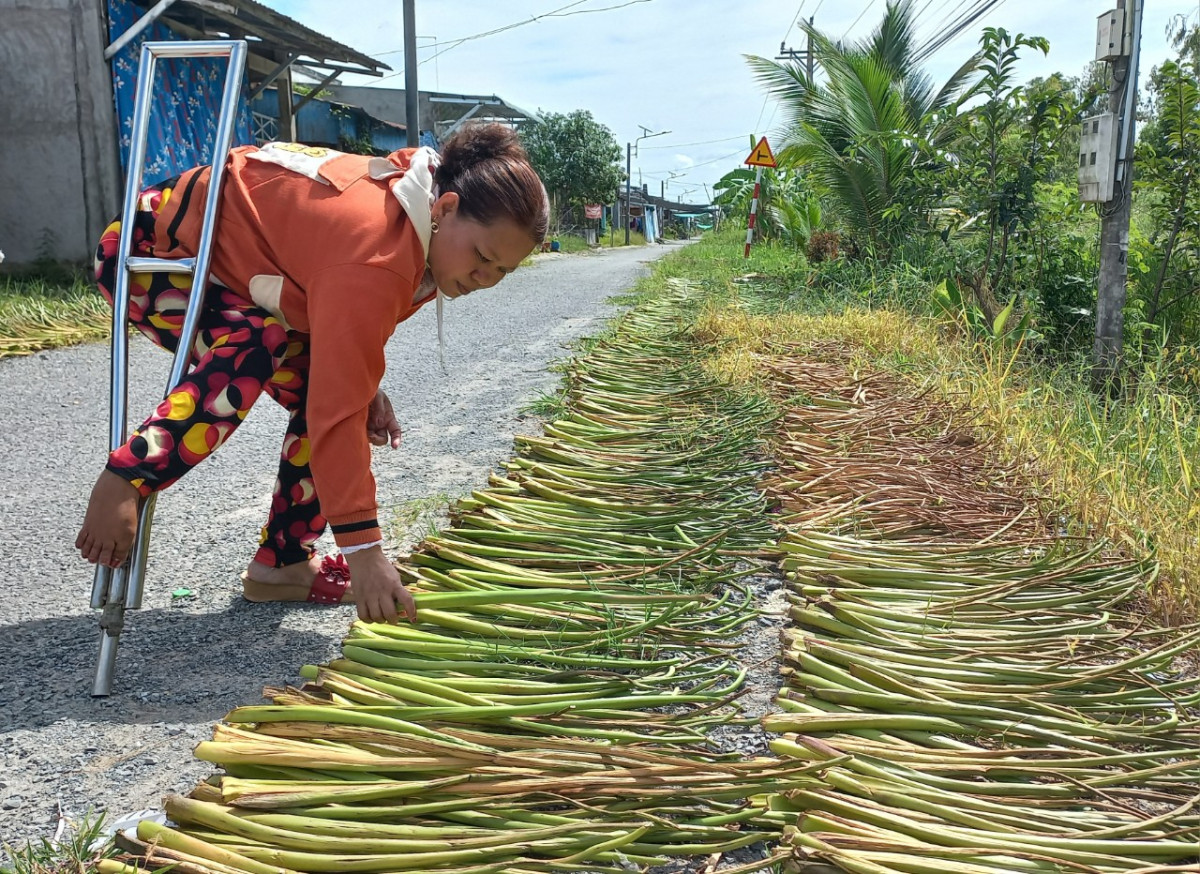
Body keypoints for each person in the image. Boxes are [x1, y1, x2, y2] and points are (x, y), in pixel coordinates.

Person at [75, 123, 549, 624]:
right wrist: (366, 555)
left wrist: (363, 385)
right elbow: (335, 409)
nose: (485, 280)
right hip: (156, 252)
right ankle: (128, 477)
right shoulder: (379, 251)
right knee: (262, 349)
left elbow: (342, 351)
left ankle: (281, 564)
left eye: (503, 272)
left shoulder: (423, 228)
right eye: (482, 258)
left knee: (348, 396)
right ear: (446, 208)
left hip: (243, 273)